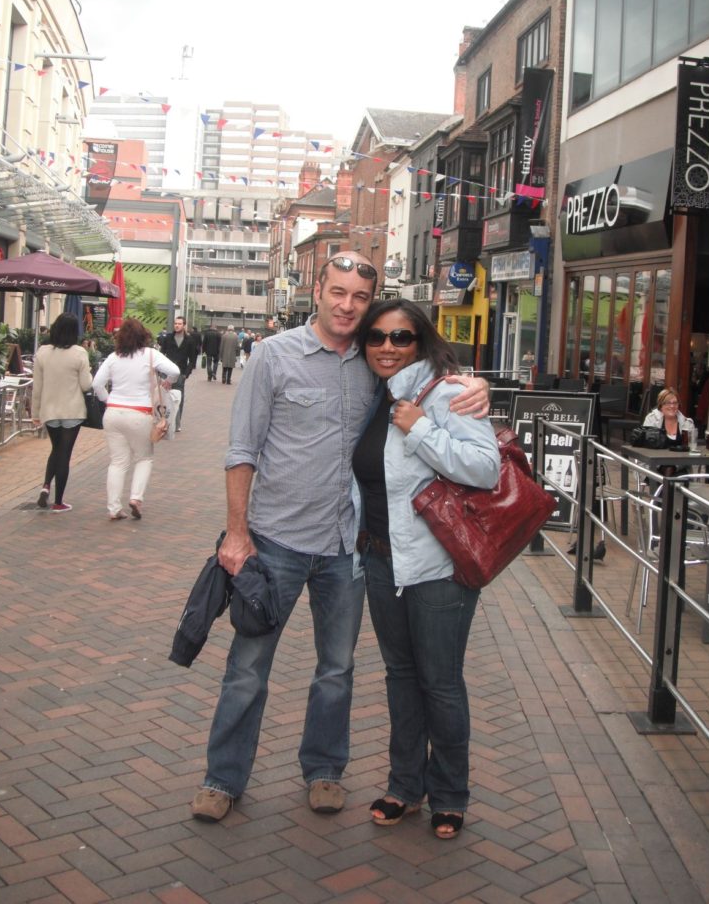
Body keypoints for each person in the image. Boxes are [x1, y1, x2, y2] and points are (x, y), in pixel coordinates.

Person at [190, 252, 489, 824]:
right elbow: (241, 450)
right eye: (339, 292)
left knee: (337, 669)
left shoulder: (373, 365)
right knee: (248, 666)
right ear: (317, 290)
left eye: (360, 297)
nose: (348, 306)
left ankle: (325, 770)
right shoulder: (274, 357)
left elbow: (436, 383)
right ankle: (222, 779)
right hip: (274, 541)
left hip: (347, 549)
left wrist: (479, 386)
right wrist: (236, 534)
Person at [352, 300, 499, 841]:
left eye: (401, 337)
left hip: (437, 566)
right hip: (380, 560)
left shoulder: (445, 392)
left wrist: (419, 430)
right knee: (401, 677)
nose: (387, 346)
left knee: (440, 682)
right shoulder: (375, 395)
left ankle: (451, 794)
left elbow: (484, 469)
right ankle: (404, 786)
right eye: (377, 337)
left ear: (421, 341)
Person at [92, 318, 180, 520]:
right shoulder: (150, 354)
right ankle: (136, 497)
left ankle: (114, 508)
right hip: (139, 413)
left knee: (117, 462)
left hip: (113, 413)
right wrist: (167, 382)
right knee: (144, 457)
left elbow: (97, 384)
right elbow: (174, 371)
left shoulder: (114, 357)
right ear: (144, 336)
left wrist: (108, 401)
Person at [31, 312, 93, 514]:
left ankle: (46, 485)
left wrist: (35, 413)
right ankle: (58, 502)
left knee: (55, 450)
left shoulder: (43, 352)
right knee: (64, 455)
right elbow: (86, 385)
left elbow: (37, 387)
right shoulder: (79, 353)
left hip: (49, 410)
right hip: (72, 410)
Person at [161, 316, 194, 432]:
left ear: (184, 325)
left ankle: (177, 423)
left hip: (181, 373)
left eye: (179, 324)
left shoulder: (189, 340)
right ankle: (165, 421)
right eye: (175, 323)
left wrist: (186, 374)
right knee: (165, 396)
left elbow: (192, 360)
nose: (177, 325)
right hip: (167, 372)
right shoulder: (168, 338)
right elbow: (162, 354)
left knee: (178, 398)